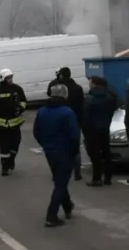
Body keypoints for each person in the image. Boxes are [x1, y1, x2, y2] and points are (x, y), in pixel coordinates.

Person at [33, 84, 79, 228]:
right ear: (64, 95)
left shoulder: (42, 111)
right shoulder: (67, 112)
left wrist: (45, 144)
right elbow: (74, 135)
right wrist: (74, 151)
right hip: (65, 152)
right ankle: (51, 215)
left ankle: (67, 206)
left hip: (50, 151)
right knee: (60, 183)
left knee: (59, 180)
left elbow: (36, 132)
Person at [0, 68, 27, 176]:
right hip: (1, 124)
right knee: (4, 146)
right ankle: (4, 167)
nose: (10, 79)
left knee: (16, 144)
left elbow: (23, 101)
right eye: (8, 78)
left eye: (11, 77)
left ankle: (11, 159)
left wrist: (20, 108)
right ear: (3, 79)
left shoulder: (17, 89)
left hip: (15, 123)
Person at [47, 67, 85, 181]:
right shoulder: (77, 88)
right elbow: (81, 105)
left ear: (61, 75)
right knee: (75, 146)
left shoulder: (57, 87)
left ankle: (58, 171)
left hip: (59, 121)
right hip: (75, 120)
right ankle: (77, 172)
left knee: (59, 146)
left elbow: (50, 95)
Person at [82, 76, 118, 187]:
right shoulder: (110, 97)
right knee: (106, 152)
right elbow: (113, 110)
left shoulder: (89, 98)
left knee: (95, 155)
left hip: (92, 130)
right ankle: (108, 178)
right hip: (105, 127)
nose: (89, 84)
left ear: (94, 84)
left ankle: (97, 178)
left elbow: (86, 116)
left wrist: (85, 129)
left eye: (90, 82)